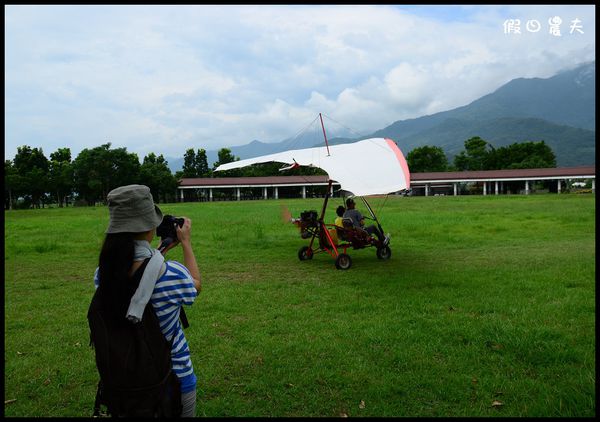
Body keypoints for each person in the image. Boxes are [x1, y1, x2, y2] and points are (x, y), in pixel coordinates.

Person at [93, 184, 201, 417]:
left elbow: (136, 275)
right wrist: (186, 243)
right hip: (174, 377)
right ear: (149, 226)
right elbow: (195, 286)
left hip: (123, 382)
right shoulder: (172, 274)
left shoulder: (103, 274)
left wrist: (160, 251)